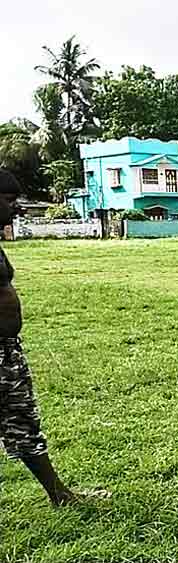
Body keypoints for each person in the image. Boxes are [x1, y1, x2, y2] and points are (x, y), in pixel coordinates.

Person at [0, 170, 104, 506]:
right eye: (9, 200)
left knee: (22, 420)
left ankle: (59, 495)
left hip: (6, 352)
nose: (16, 208)